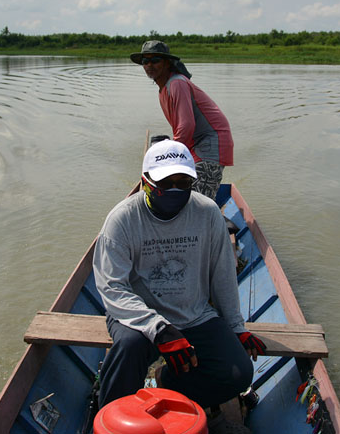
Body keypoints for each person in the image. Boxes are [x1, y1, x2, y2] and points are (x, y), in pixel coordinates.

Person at [92, 139, 265, 428]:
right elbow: (112, 288)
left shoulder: (207, 213)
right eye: (165, 182)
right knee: (129, 347)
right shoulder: (122, 220)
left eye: (183, 182)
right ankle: (110, 418)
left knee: (238, 374)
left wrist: (237, 327)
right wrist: (158, 329)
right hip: (138, 317)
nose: (174, 189)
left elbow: (222, 275)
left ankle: (166, 389)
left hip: (193, 313)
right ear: (145, 182)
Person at [131, 40, 233, 200]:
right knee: (178, 192)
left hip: (210, 144)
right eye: (145, 61)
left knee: (198, 201)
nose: (149, 65)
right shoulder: (164, 89)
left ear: (166, 63)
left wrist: (170, 157)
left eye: (155, 60)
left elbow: (186, 126)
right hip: (195, 145)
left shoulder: (176, 83)